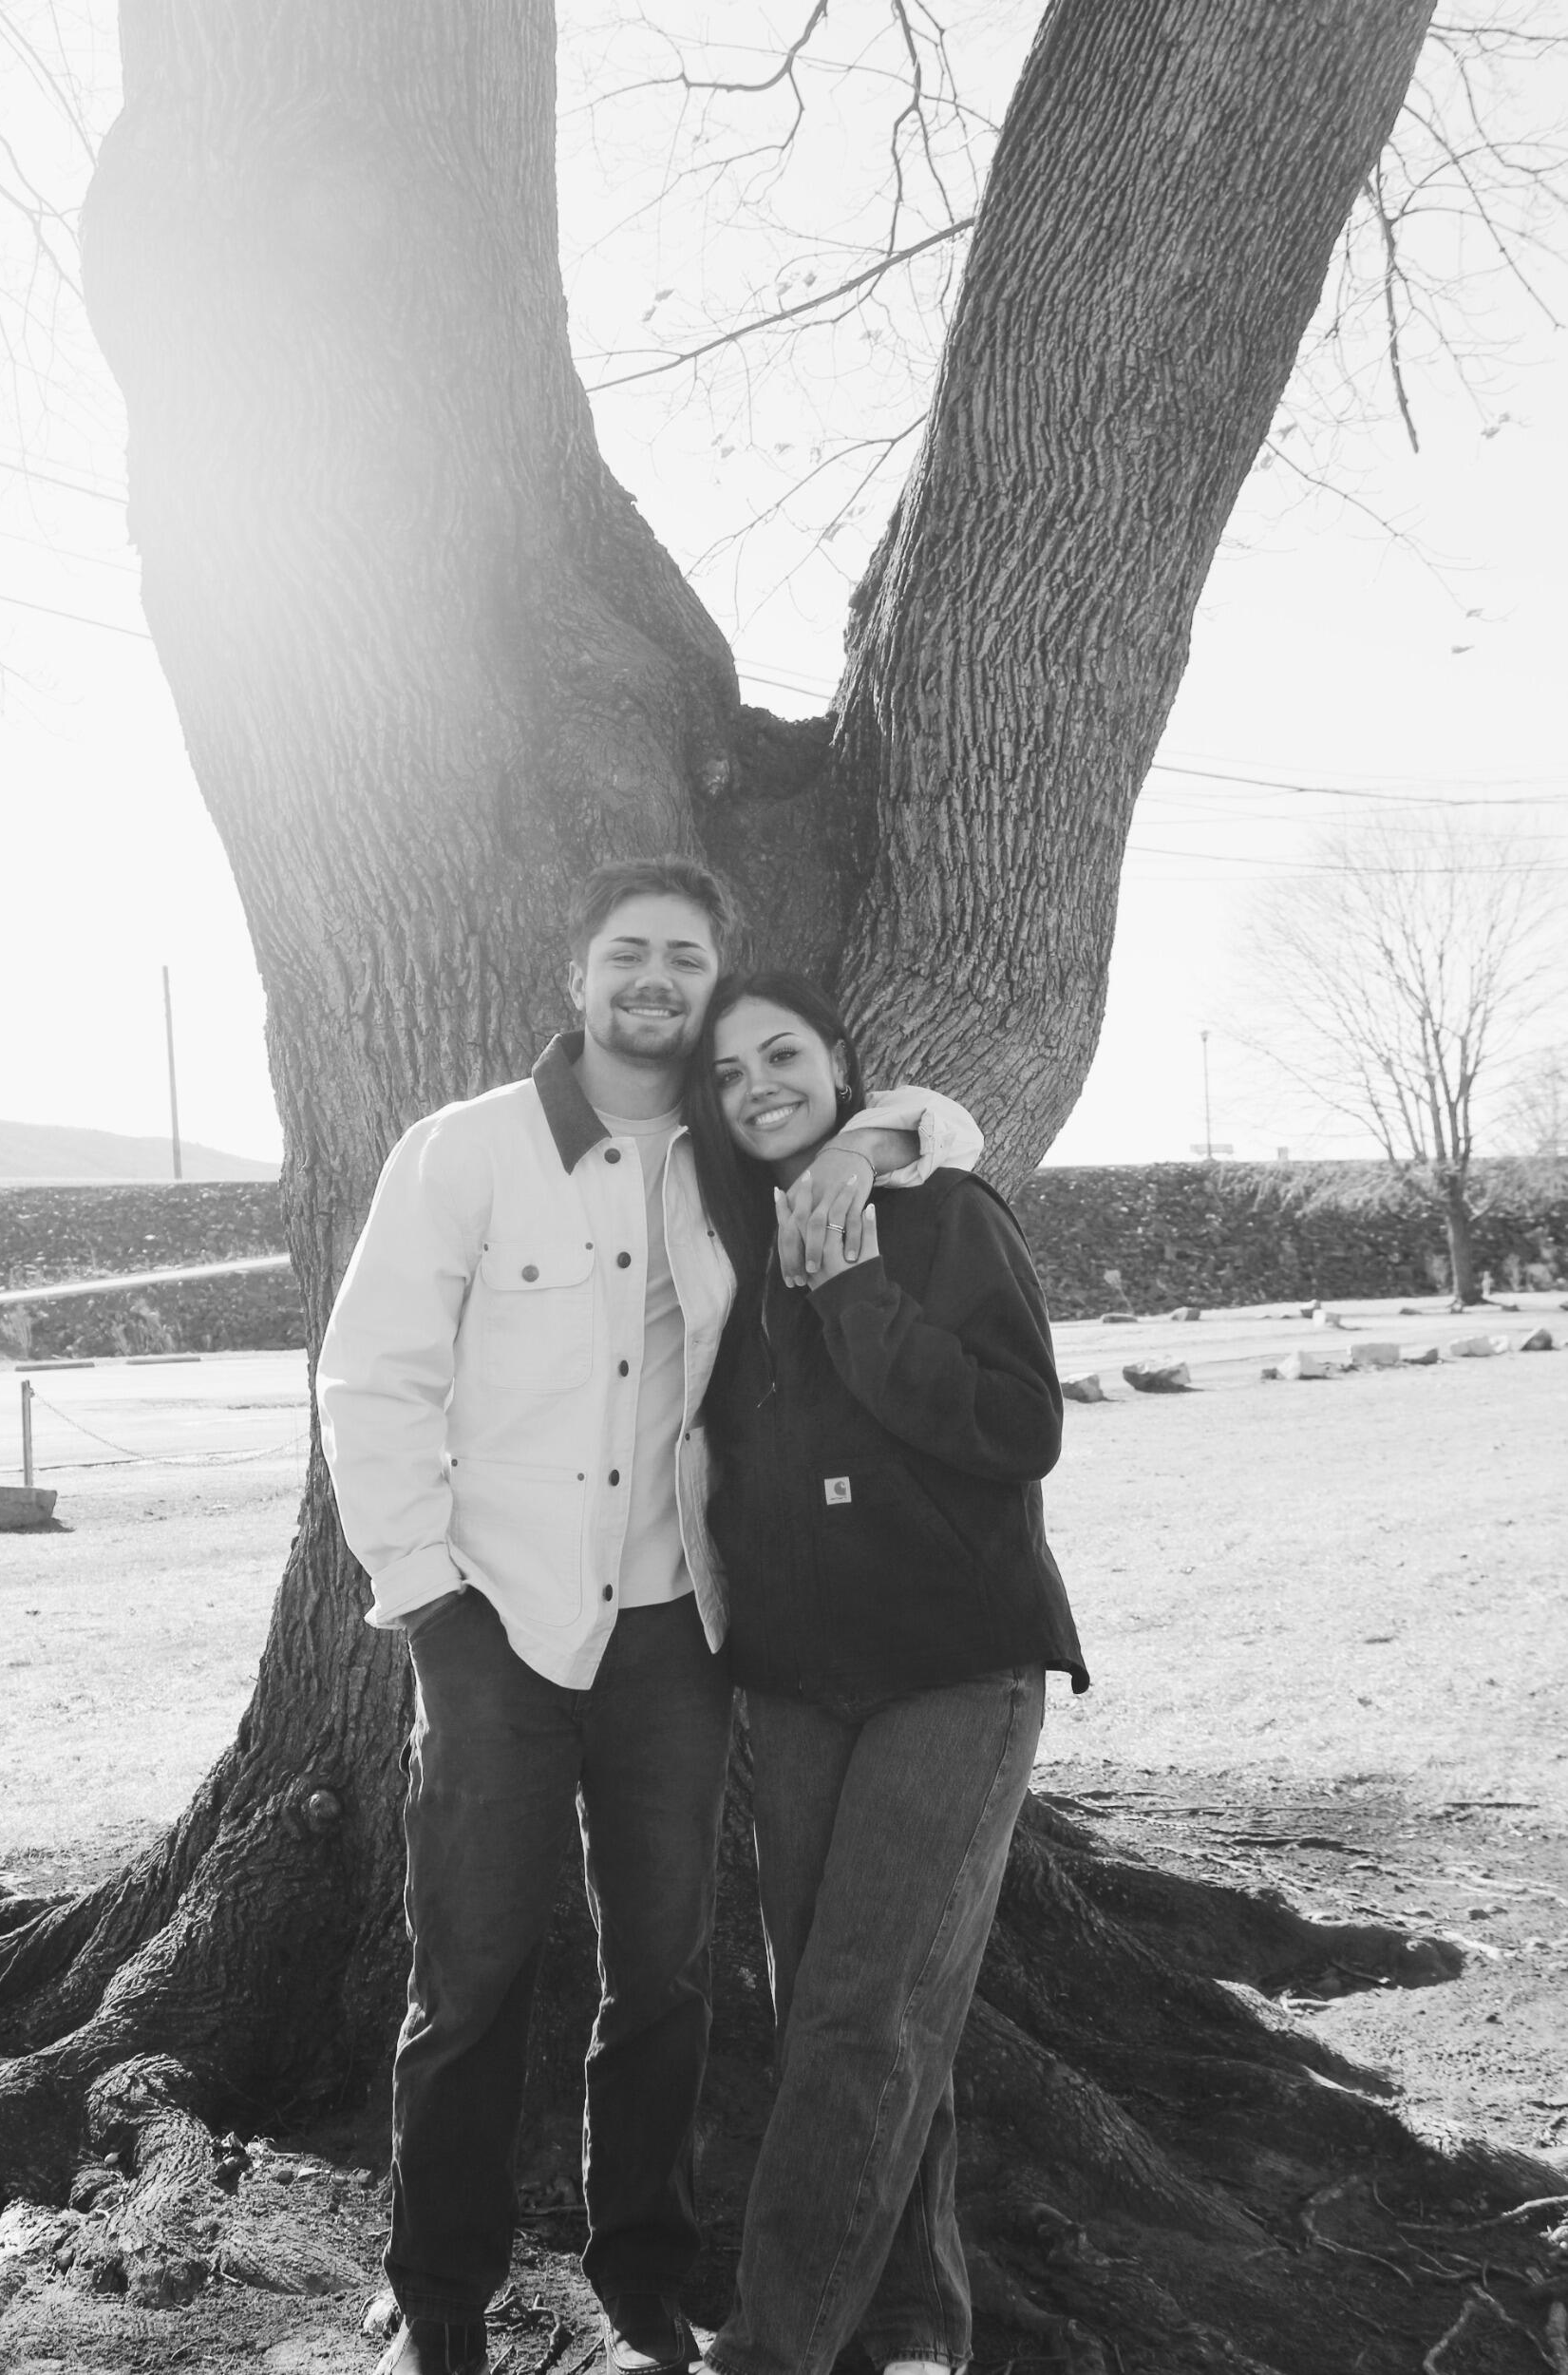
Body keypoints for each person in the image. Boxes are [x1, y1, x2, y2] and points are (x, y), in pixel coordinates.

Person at [315, 861, 982, 2375]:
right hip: (490, 1621)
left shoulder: (733, 1155)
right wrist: (423, 1596)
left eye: (685, 957)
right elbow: (374, 1379)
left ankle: (644, 2277)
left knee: (664, 1973)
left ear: (710, 980)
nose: (655, 979)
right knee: (470, 1972)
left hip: (673, 1628)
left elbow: (943, 1128)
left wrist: (857, 1147)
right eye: (628, 952)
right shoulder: (465, 1151)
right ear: (578, 974)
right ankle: (435, 2300)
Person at [683, 971, 1088, 2375]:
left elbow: (1016, 1425)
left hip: (952, 1667)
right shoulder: (727, 1240)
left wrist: (854, 1287)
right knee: (852, 2018)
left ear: (844, 1067)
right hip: (796, 1682)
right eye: (727, 1075)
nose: (757, 1088)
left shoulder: (939, 1214)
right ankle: (914, 2332)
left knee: (862, 2014)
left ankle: (767, 2354)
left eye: (780, 1054)